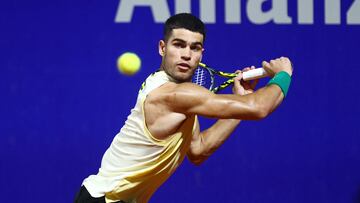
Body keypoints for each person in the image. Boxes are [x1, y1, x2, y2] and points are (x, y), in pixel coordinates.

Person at [74, 13, 293, 203]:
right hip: (104, 200)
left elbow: (199, 150)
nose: (186, 55)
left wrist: (242, 98)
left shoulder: (177, 94)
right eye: (178, 45)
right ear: (162, 48)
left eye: (194, 48)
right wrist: (284, 74)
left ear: (201, 54)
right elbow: (259, 108)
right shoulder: (174, 95)